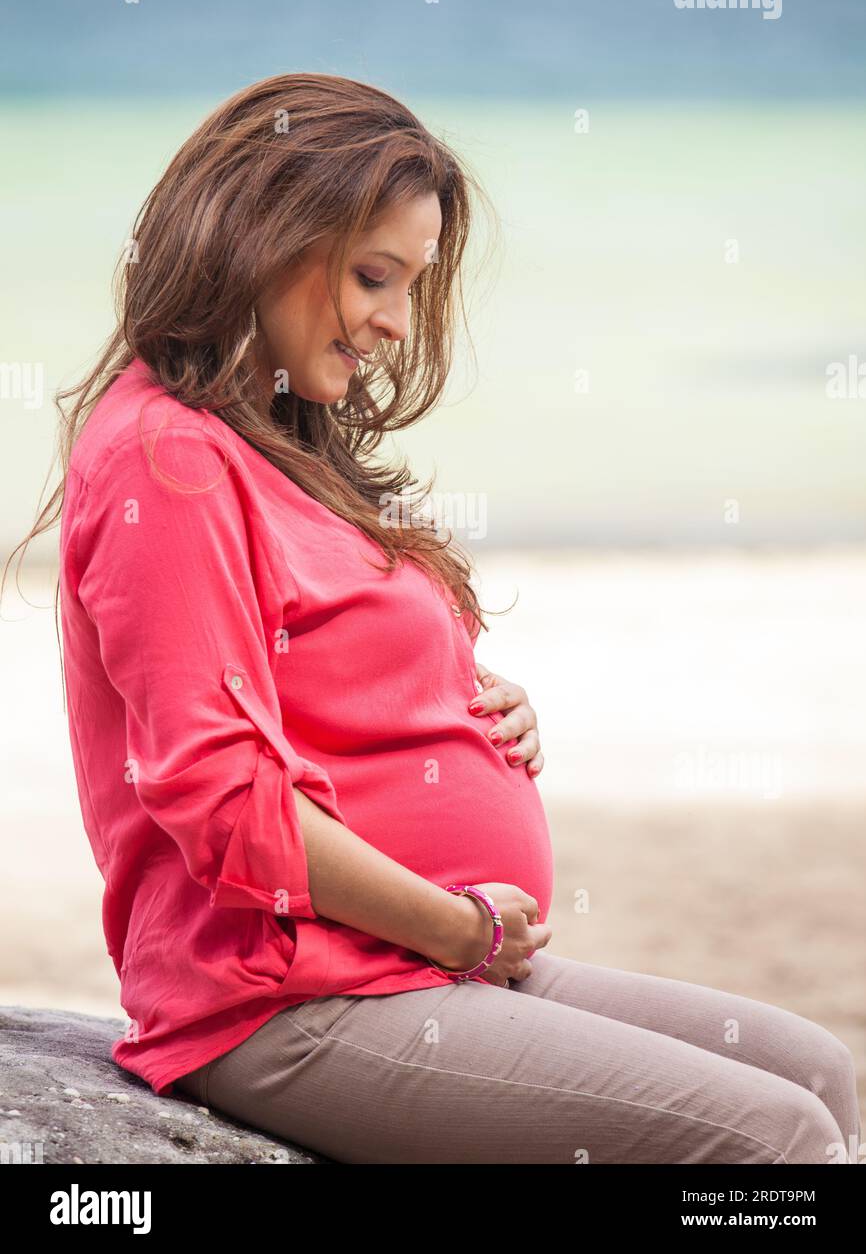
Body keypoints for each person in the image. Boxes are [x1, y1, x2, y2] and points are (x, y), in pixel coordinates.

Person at [11, 73, 859, 1164]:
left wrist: (473, 714)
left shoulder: (273, 437)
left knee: (815, 1072)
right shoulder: (165, 459)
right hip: (284, 997)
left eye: (410, 286)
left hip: (400, 961)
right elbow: (222, 800)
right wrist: (462, 925)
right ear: (261, 235)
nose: (394, 325)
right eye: (374, 277)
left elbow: (314, 675)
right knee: (769, 1137)